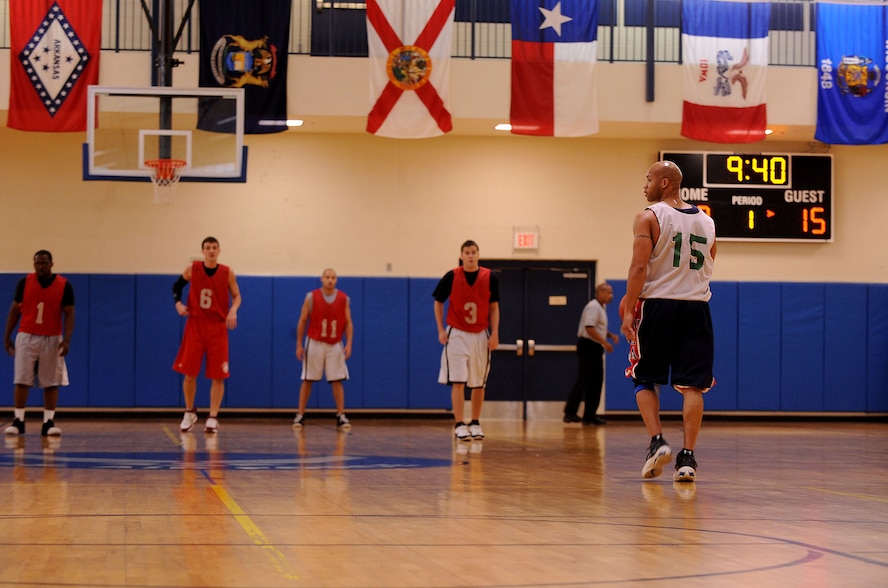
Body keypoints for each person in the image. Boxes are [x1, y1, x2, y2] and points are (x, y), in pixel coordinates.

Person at [620, 161, 716, 483]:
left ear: (664, 183)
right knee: (693, 385)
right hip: (696, 307)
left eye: (647, 179)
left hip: (659, 306)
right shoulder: (707, 221)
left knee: (643, 376)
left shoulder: (648, 216)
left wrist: (629, 306)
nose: (643, 185)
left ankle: (657, 441)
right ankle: (687, 458)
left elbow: (638, 267)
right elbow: (709, 264)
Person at [172, 236, 242, 434]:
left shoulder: (227, 272)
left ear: (219, 251)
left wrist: (233, 310)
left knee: (218, 375)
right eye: (208, 248)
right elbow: (176, 287)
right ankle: (189, 411)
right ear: (202, 251)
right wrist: (178, 304)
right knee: (189, 372)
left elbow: (237, 296)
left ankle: (213, 416)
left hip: (217, 326)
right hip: (195, 324)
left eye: (214, 247)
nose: (211, 251)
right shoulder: (192, 269)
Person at [433, 240, 500, 441]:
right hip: (458, 333)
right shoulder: (451, 276)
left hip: (480, 333)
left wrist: (495, 332)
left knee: (479, 383)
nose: (470, 256)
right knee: (459, 381)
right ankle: (460, 423)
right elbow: (438, 302)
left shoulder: (490, 277)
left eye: (473, 252)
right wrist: (440, 330)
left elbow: (494, 307)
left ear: (478, 255)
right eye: (467, 252)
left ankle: (476, 422)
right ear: (461, 255)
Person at [4, 251, 75, 437]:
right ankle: (18, 421)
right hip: (26, 335)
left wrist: (67, 339)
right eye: (37, 263)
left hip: (52, 337)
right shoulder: (24, 283)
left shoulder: (64, 285)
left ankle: (48, 422)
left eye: (44, 263)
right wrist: (6, 336)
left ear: (52, 263)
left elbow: (69, 314)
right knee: (21, 379)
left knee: (51, 381)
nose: (40, 266)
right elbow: (14, 310)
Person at [293, 268, 354, 430]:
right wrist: (299, 344)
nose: (330, 280)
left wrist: (349, 344)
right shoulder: (311, 297)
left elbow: (348, 322)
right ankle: (300, 415)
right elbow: (302, 320)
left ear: (336, 280)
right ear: (322, 279)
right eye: (327, 277)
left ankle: (341, 415)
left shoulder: (343, 298)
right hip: (315, 342)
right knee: (308, 379)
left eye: (333, 277)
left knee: (337, 380)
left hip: (335, 343)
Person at [563, 282, 620, 426]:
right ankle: (570, 412)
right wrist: (605, 342)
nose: (611, 296)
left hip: (593, 346)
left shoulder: (600, 308)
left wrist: (609, 335)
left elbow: (597, 328)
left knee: (595, 382)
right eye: (608, 293)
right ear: (600, 293)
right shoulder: (594, 306)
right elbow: (589, 328)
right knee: (584, 380)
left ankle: (590, 415)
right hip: (588, 347)